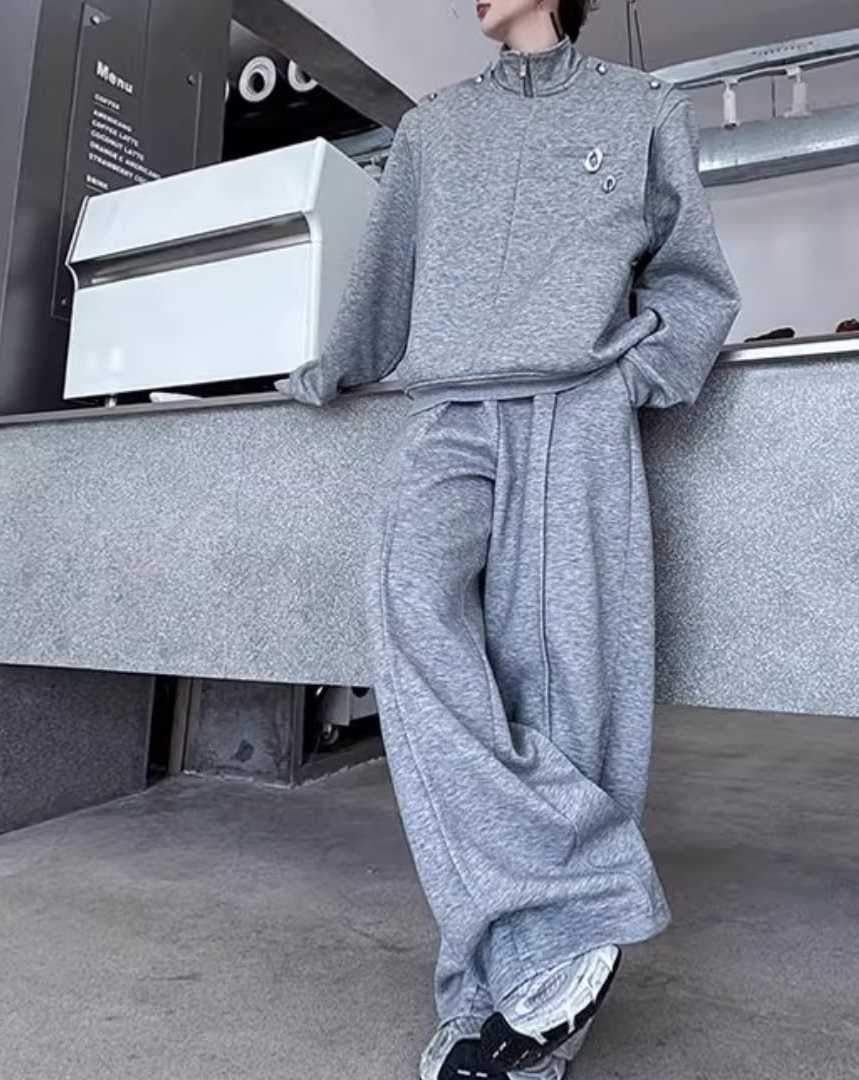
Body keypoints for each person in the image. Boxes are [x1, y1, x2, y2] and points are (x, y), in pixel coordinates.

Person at [277, 0, 741, 1076]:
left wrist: (635, 376)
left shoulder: (643, 108)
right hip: (450, 413)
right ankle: (580, 902)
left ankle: (506, 1019)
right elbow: (384, 274)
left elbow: (694, 281)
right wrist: (334, 363)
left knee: (564, 689)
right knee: (405, 604)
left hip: (577, 411)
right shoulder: (434, 127)